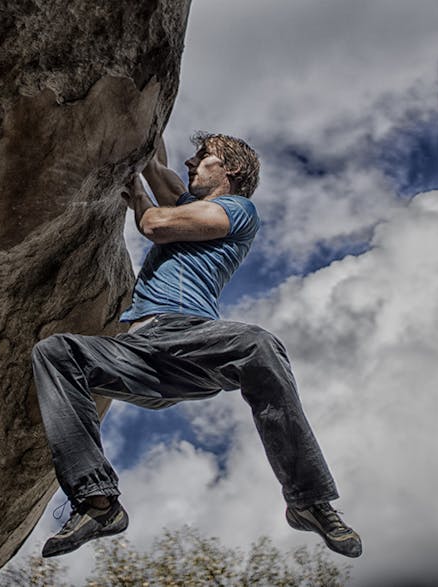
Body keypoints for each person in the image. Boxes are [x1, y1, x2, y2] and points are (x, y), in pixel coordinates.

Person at [31, 131, 361, 559]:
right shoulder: (188, 200)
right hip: (143, 352)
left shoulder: (238, 210)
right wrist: (148, 129)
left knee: (257, 345)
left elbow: (156, 225)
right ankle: (98, 503)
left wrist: (137, 199)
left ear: (232, 170)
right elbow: (157, 166)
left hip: (191, 342)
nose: (191, 164)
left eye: (203, 157)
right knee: (56, 353)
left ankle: (308, 500)